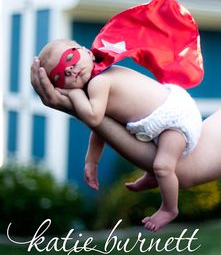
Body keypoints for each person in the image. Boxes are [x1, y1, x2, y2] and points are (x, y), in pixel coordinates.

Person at [38, 38, 202, 231]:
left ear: (88, 52)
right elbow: (100, 129)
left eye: (70, 57)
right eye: (60, 75)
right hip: (160, 118)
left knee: (163, 166)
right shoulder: (96, 81)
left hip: (175, 118)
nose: (71, 69)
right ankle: (152, 177)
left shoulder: (99, 82)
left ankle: (169, 209)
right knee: (156, 162)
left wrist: (74, 96)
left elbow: (93, 118)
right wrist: (92, 160)